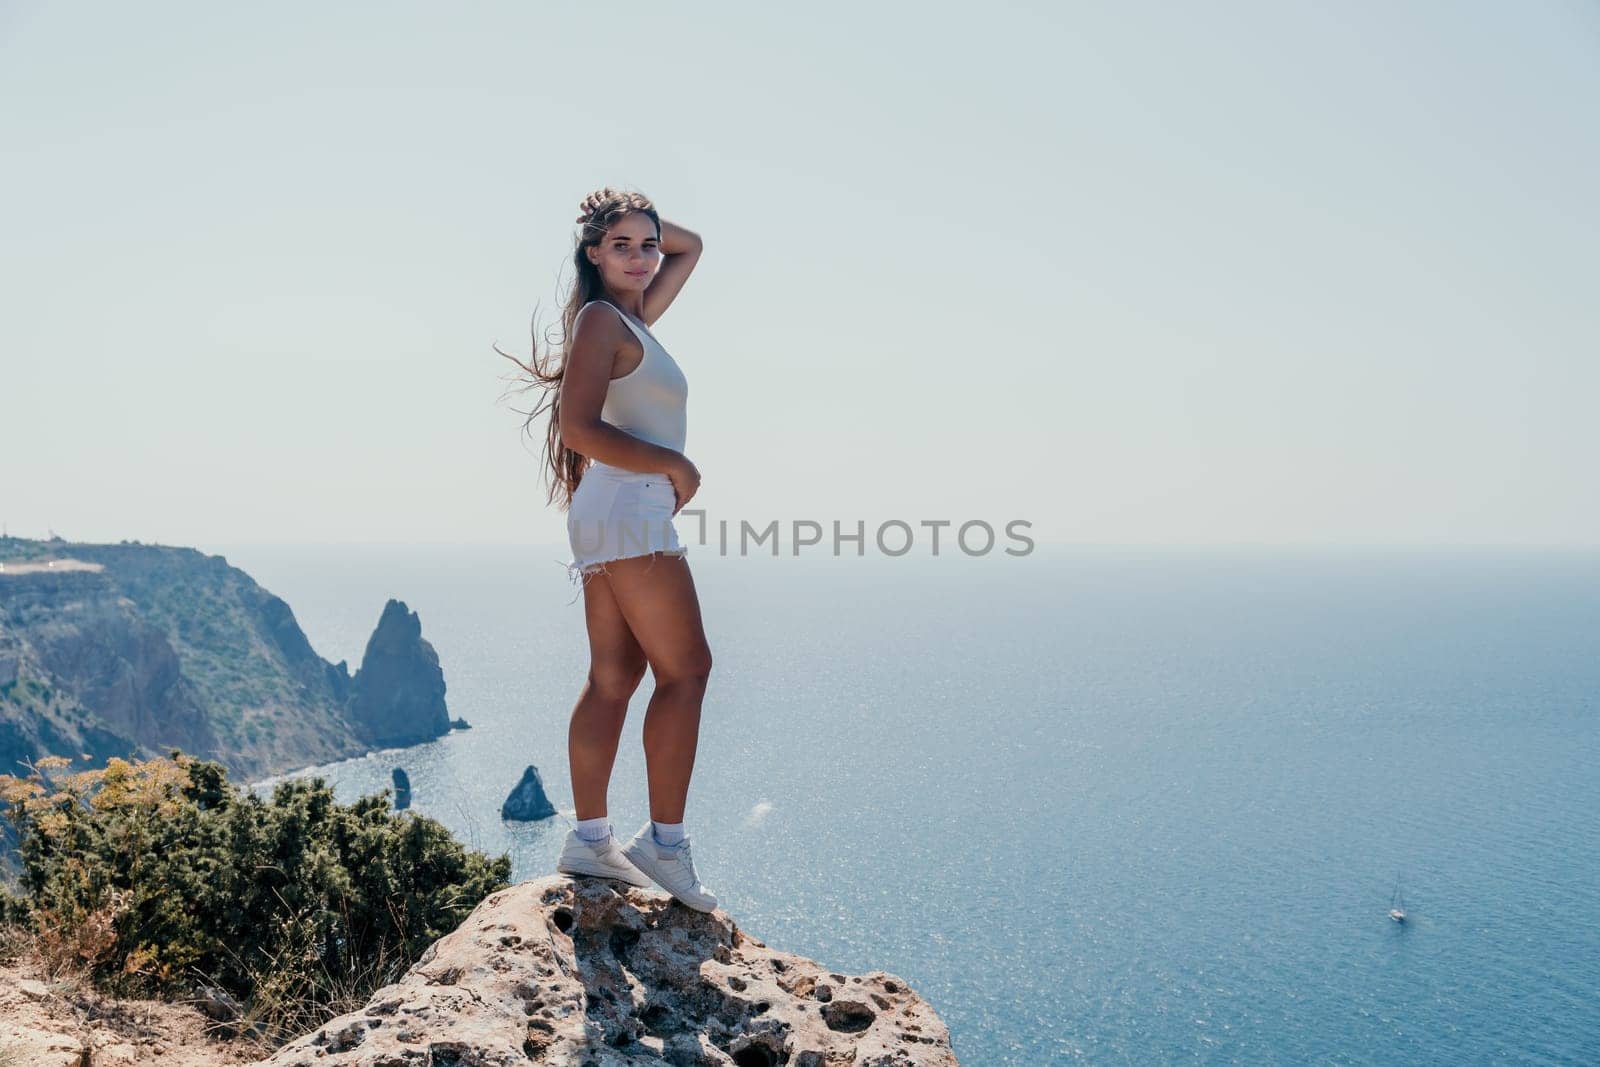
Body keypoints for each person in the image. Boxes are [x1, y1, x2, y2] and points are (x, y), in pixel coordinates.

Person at [497, 187, 717, 912]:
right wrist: (674, 465)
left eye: (647, 245)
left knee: (614, 676)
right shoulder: (601, 318)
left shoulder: (630, 318)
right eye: (620, 244)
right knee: (686, 671)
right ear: (592, 253)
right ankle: (665, 844)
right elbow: (578, 428)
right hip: (629, 508)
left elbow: (694, 246)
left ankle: (591, 838)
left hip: (612, 513)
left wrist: (635, 211)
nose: (643, 256)